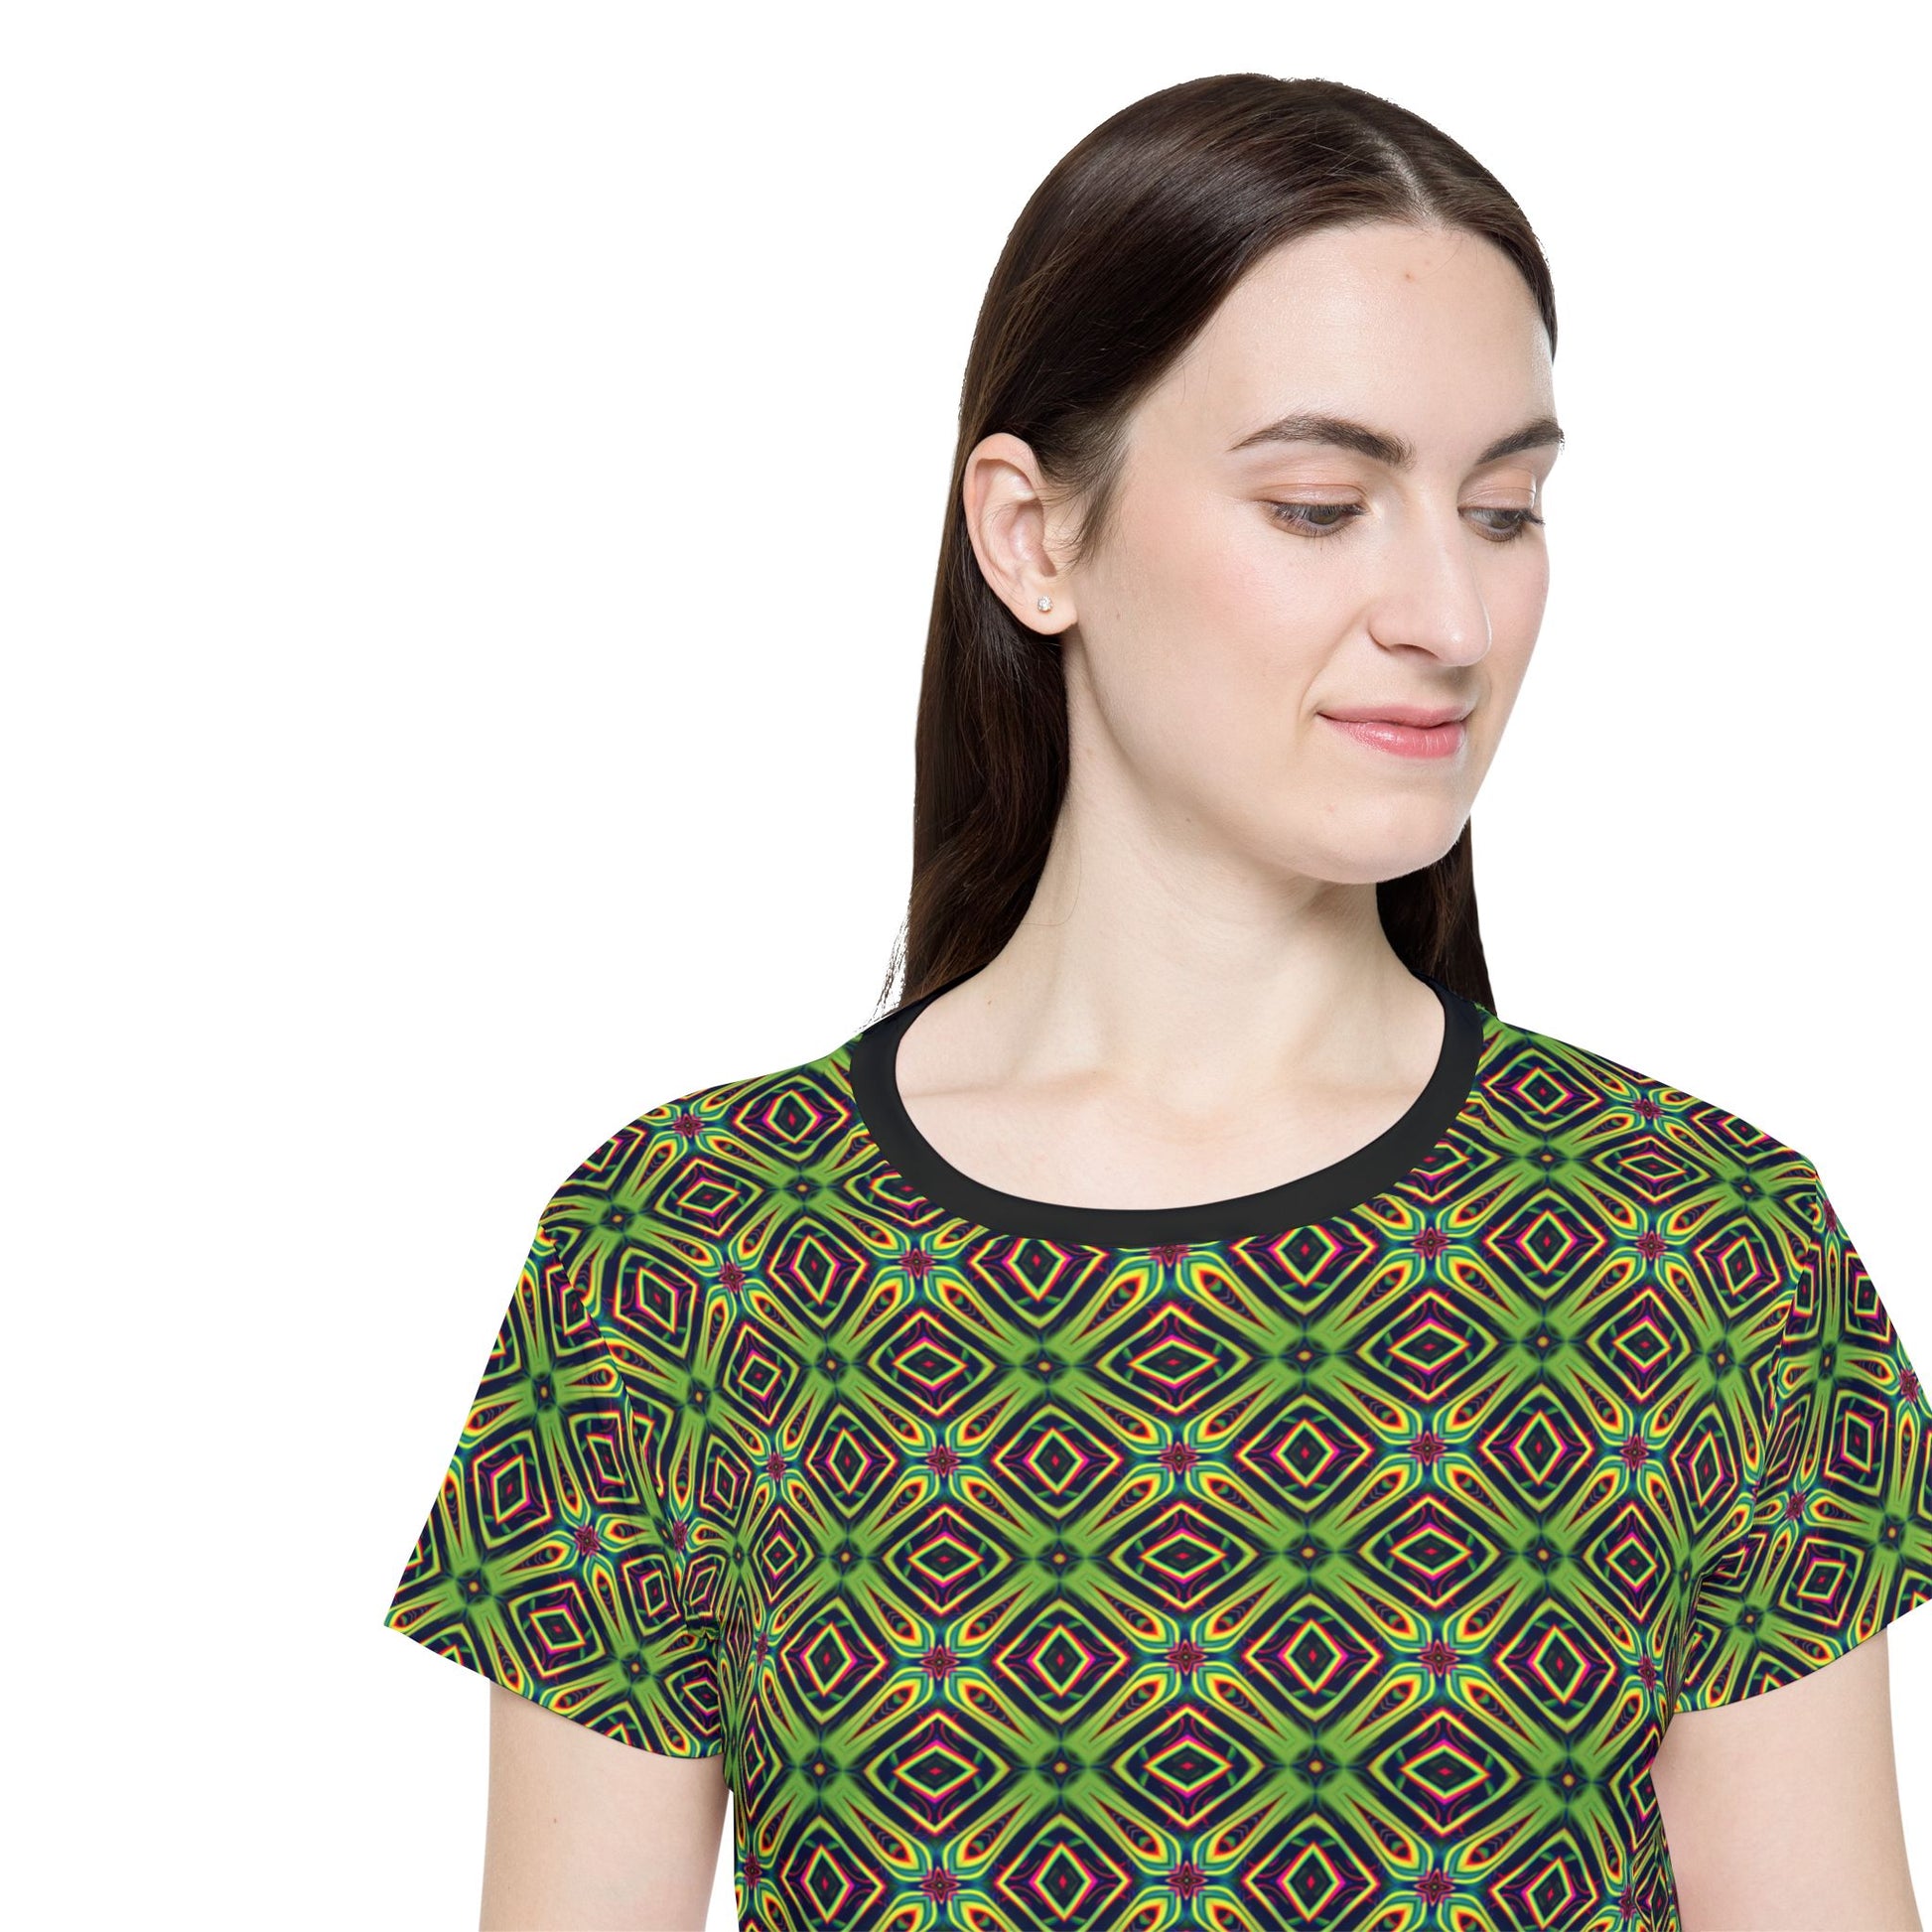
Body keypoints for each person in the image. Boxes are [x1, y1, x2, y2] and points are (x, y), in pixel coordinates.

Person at [380, 72, 1932, 1932]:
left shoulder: (1700, 1249)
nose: (1448, 615)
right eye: (1318, 505)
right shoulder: (685, 1253)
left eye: (1503, 510)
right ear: (1032, 535)